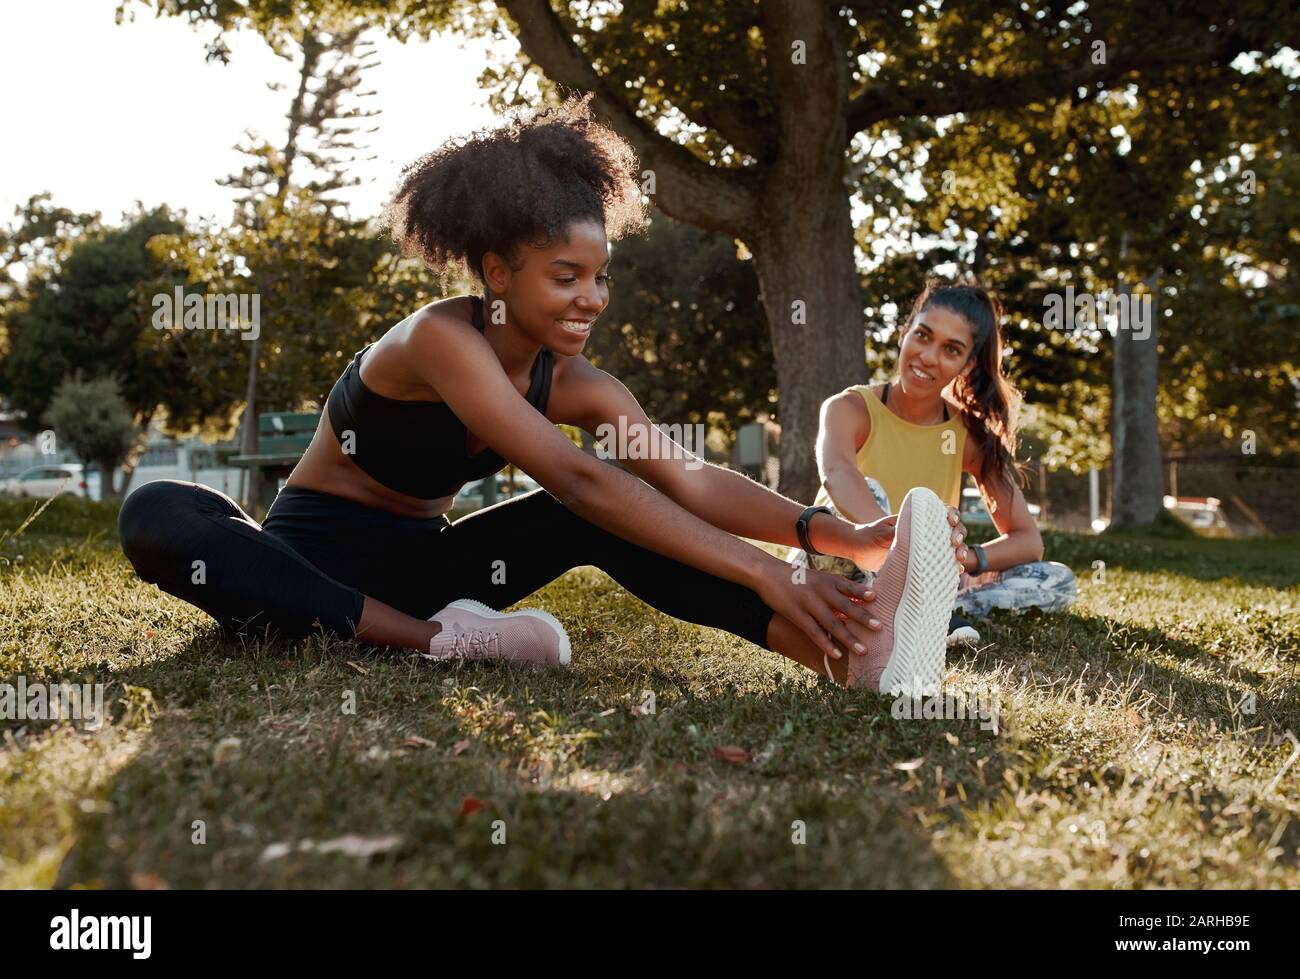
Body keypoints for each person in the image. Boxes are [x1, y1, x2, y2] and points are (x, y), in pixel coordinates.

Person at [118, 94, 968, 693]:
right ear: (497, 271)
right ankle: (442, 642)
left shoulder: (582, 385)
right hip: (302, 571)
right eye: (565, 276)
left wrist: (835, 533)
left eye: (600, 276)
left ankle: (850, 658)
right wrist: (765, 569)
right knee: (156, 507)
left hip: (426, 568)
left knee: (596, 520)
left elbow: (684, 479)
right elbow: (579, 476)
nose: (591, 298)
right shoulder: (437, 339)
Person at [789, 281, 1076, 637]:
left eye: (951, 350)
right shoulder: (849, 408)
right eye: (923, 336)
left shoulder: (969, 434)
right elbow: (837, 473)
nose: (927, 356)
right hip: (837, 563)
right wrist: (905, 548)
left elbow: (1027, 541)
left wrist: (963, 559)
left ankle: (928, 611)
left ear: (968, 365)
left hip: (926, 578)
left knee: (1056, 580)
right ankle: (910, 609)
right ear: (904, 332)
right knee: (869, 489)